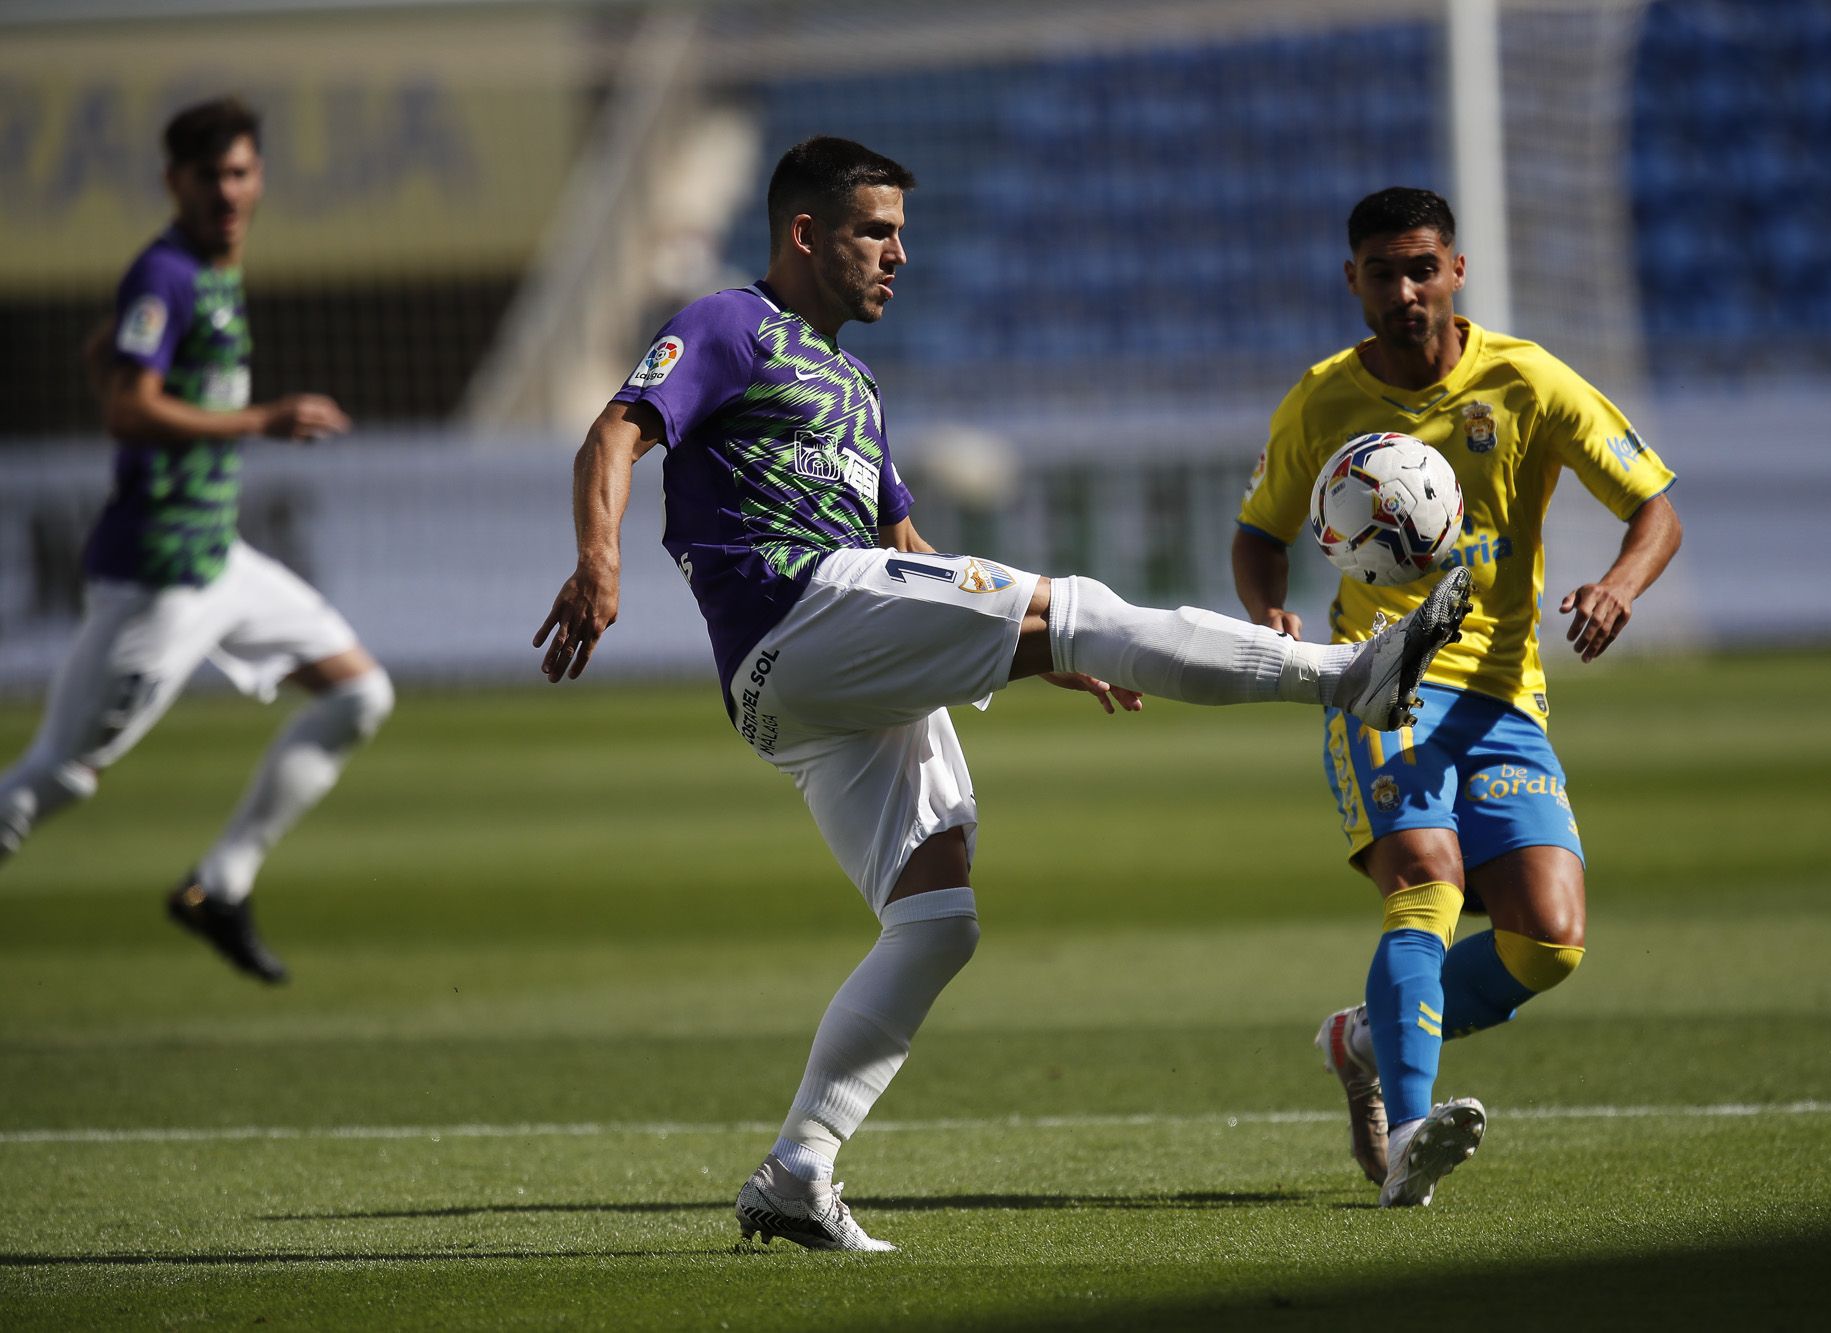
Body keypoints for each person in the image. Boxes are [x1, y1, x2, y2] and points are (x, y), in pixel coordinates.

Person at [533, 137, 1474, 1252]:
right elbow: (615, 432)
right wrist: (601, 559)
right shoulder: (735, 327)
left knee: (935, 921)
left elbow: (908, 548)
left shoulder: (855, 386)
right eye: (874, 232)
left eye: (898, 233)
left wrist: (1042, 646)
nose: (897, 254)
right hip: (797, 612)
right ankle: (1344, 677)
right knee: (1072, 597)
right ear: (803, 234)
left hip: (814, 678)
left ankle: (798, 1167)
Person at [1233, 187, 1682, 1207]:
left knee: (1547, 939)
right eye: (1382, 272)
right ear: (1351, 280)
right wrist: (1267, 612)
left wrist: (1616, 585)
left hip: (1498, 698)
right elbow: (1256, 531)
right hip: (1377, 677)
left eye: (1421, 267)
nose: (1404, 291)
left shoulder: (1523, 382)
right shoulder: (1321, 400)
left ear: (1456, 271)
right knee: (1424, 880)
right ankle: (1405, 1138)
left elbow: (1653, 508)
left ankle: (1358, 1035)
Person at [0, 97, 394, 984]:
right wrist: (260, 418)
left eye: (241, 172)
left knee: (359, 693)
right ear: (173, 182)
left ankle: (220, 884)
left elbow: (108, 354)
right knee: (57, 776)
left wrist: (129, 358)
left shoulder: (207, 269)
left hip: (218, 557)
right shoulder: (169, 272)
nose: (227, 190)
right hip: (158, 579)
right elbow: (126, 404)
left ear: (258, 179)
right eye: (208, 175)